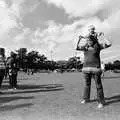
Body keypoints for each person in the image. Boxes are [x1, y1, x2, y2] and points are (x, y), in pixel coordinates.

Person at [76, 25, 112, 108]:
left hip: (95, 69)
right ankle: (86, 99)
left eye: (90, 40)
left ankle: (101, 102)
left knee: (98, 85)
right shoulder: (85, 47)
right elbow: (76, 47)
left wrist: (102, 35)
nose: (89, 41)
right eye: (88, 40)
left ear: (94, 40)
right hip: (86, 69)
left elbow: (109, 43)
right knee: (86, 85)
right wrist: (80, 38)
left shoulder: (97, 46)